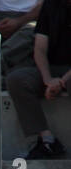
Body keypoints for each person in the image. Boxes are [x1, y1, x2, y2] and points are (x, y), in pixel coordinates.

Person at [6, 3, 71, 160]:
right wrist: (48, 79)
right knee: (18, 79)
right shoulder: (51, 6)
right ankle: (47, 140)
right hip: (52, 70)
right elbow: (40, 48)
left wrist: (62, 82)